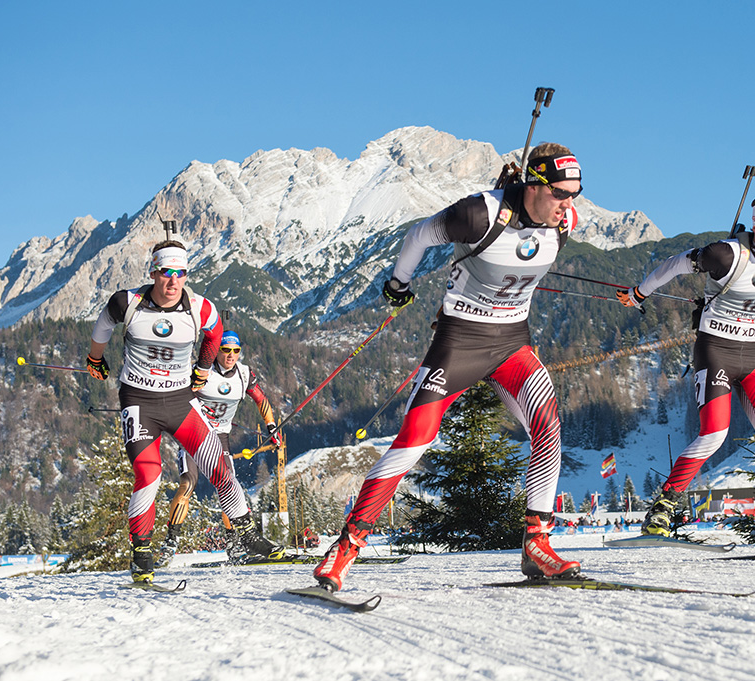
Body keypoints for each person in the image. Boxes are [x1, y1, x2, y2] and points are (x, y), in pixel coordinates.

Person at [314, 143, 584, 591]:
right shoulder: (478, 214)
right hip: (459, 344)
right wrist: (398, 284)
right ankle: (345, 548)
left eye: (574, 193)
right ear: (534, 184)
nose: (568, 205)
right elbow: (419, 236)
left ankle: (537, 544)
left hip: (512, 344)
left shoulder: (565, 222)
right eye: (560, 193)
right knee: (414, 439)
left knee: (548, 426)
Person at [617, 192, 755, 554]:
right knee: (714, 435)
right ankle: (662, 508)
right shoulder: (726, 254)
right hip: (715, 351)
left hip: (752, 355)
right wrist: (639, 293)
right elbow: (674, 264)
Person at [86, 241, 284, 583]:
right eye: (166, 273)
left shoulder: (200, 308)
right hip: (139, 401)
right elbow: (102, 326)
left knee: (220, 467)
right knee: (149, 474)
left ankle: (247, 536)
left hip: (180, 403)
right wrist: (95, 358)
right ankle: (142, 552)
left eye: (180, 273)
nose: (173, 281)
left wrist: (203, 369)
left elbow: (215, 334)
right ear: (153, 273)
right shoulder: (127, 302)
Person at [156, 329, 282, 567]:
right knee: (188, 483)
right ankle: (170, 543)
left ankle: (233, 545)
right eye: (225, 350)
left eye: (236, 350)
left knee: (229, 486)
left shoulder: (244, 375)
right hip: (194, 434)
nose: (231, 355)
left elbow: (261, 400)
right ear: (215, 351)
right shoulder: (202, 372)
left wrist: (271, 426)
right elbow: (177, 397)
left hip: (221, 436)